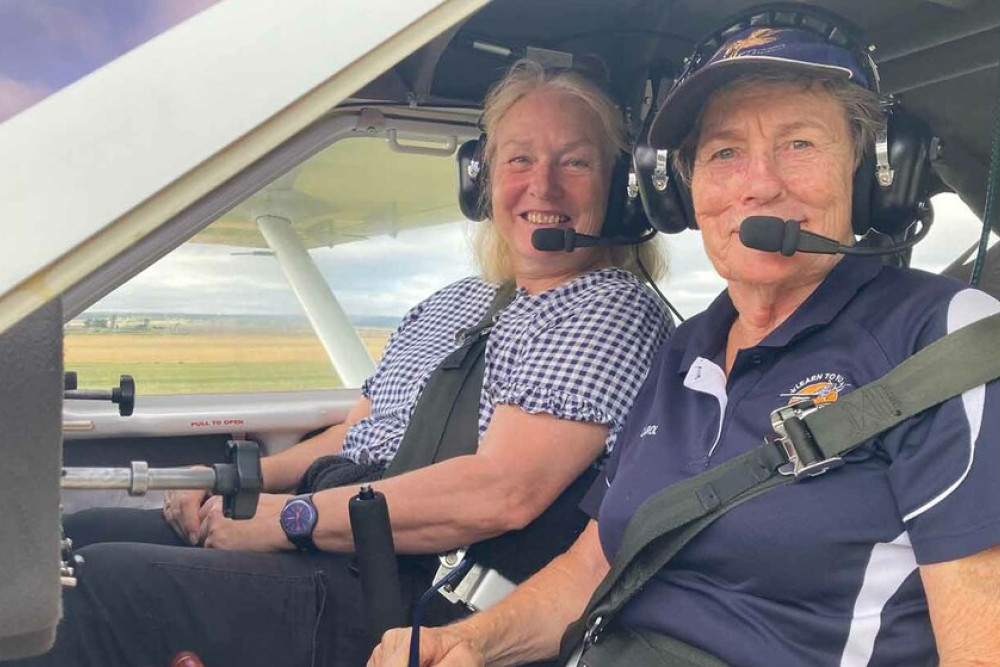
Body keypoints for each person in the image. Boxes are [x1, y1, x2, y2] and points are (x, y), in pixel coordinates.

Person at [370, 12, 1000, 667]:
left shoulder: (937, 338)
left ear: (871, 172)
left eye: (800, 144)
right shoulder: (686, 351)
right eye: (726, 151)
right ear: (680, 191)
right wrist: (468, 640)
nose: (760, 182)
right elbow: (596, 564)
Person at [4, 61, 672, 667]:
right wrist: (237, 483)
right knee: (66, 542)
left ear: (619, 190)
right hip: (346, 530)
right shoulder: (458, 301)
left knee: (92, 589)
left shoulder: (607, 308)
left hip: (408, 589)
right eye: (519, 158)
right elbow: (365, 425)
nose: (542, 184)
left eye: (575, 162)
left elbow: (500, 492)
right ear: (481, 179)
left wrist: (284, 521)